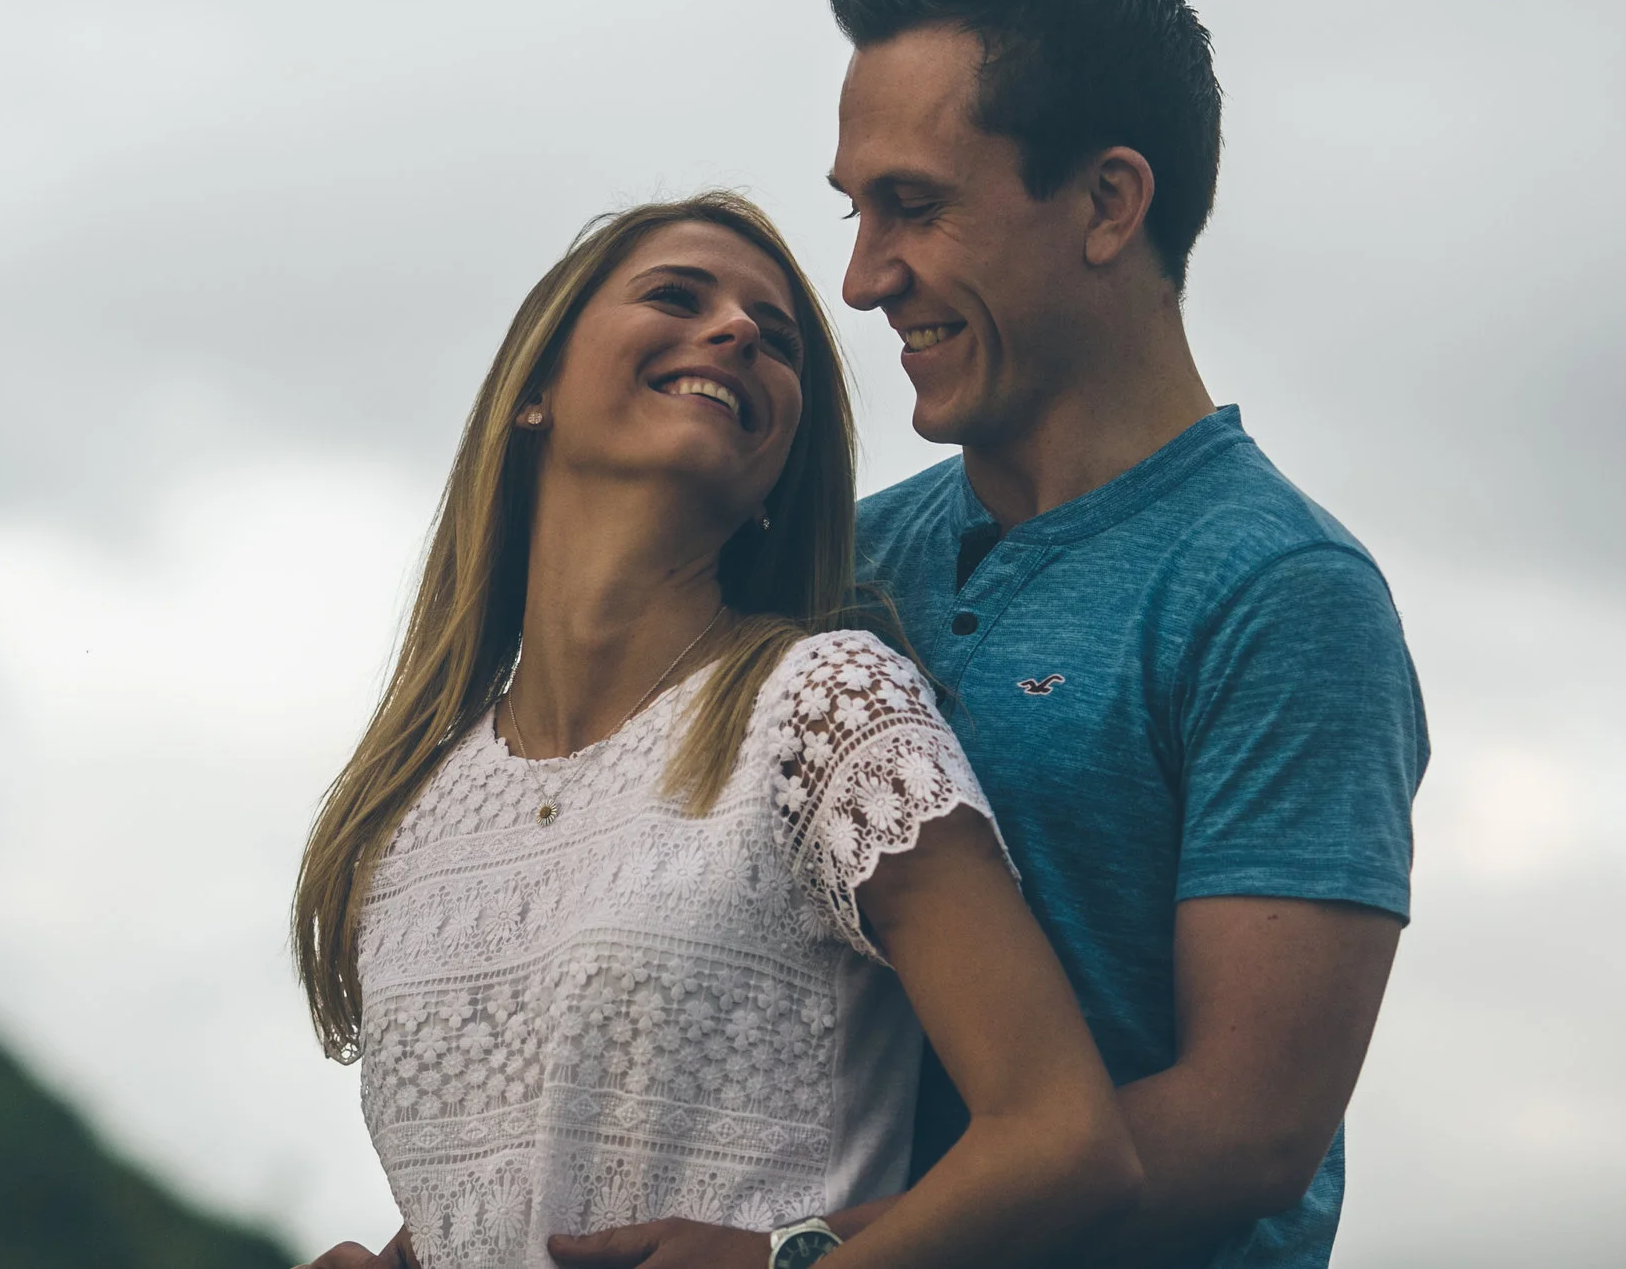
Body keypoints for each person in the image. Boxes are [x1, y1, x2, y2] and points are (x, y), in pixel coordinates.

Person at [292, 194, 1142, 1269]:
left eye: (775, 338)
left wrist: (786, 1257)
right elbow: (524, 1179)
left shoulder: (824, 708)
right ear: (535, 391)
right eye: (676, 295)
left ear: (778, 476)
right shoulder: (408, 809)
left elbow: (1066, 1144)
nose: (736, 330)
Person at [823, 0, 1429, 1267]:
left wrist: (802, 1255)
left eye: (912, 205)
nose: (863, 278)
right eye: (856, 210)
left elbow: (1247, 1126)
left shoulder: (1283, 592)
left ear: (1107, 201)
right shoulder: (839, 564)